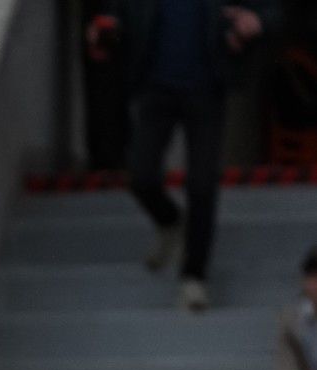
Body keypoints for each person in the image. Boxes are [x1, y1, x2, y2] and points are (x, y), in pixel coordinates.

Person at [89, 1, 278, 312]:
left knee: (202, 185)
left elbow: (274, 13)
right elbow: (118, 17)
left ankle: (194, 277)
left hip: (207, 92)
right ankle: (171, 221)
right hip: (154, 90)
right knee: (141, 175)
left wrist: (256, 20)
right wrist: (104, 30)